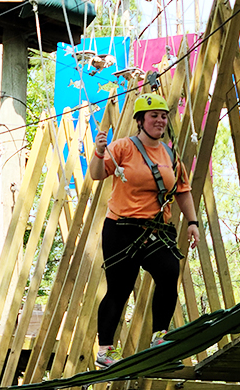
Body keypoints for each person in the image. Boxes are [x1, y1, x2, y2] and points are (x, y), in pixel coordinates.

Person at [89, 93, 200, 369]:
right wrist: (100, 151)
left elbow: (183, 192)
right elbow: (96, 174)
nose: (160, 121)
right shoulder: (124, 147)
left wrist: (193, 223)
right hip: (121, 229)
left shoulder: (170, 155)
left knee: (169, 271)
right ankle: (105, 350)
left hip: (155, 230)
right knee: (120, 288)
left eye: (163, 116)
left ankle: (159, 337)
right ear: (141, 121)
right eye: (154, 116)